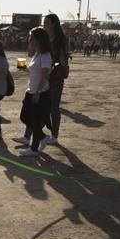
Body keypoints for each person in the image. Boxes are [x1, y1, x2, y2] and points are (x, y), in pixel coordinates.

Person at [14, 26, 52, 158]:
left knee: (34, 119)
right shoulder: (37, 54)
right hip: (31, 90)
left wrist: (38, 92)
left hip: (39, 92)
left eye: (31, 37)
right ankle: (42, 137)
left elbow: (44, 76)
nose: (29, 39)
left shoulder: (46, 56)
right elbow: (35, 73)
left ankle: (34, 148)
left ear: (38, 40)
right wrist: (25, 70)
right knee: (25, 117)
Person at [41, 13, 70, 146]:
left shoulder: (60, 39)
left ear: (53, 24)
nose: (44, 25)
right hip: (44, 74)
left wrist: (58, 67)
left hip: (55, 77)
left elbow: (64, 59)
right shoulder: (45, 38)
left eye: (46, 22)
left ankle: (54, 135)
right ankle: (35, 133)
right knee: (42, 105)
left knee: (54, 107)